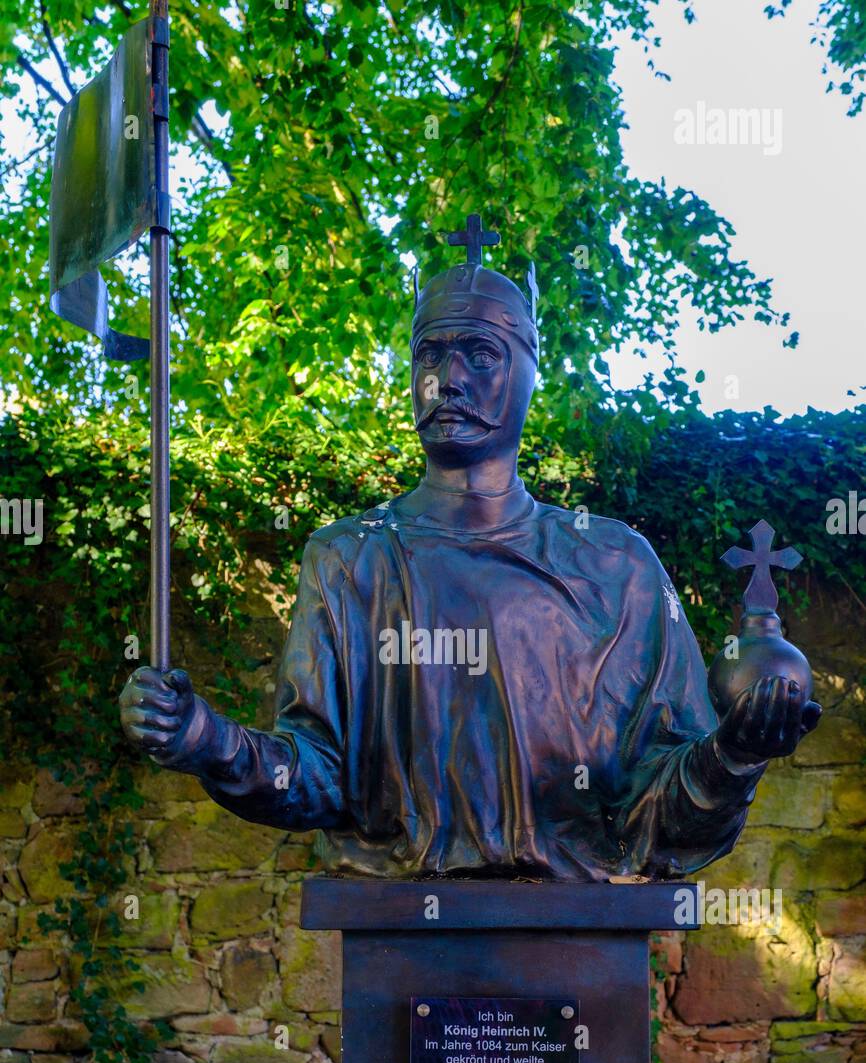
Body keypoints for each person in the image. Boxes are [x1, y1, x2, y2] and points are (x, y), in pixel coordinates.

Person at [120, 220, 820, 881]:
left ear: (527, 373)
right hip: (401, 935)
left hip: (575, 943)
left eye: (480, 354)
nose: (447, 379)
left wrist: (732, 756)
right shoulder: (349, 560)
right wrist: (208, 741)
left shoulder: (617, 567)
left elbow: (658, 812)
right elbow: (318, 779)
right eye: (431, 353)